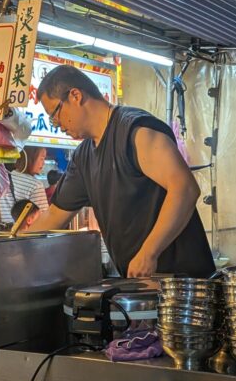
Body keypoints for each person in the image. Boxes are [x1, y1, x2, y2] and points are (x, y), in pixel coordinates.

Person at [30, 65, 214, 278]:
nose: (56, 125)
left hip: (184, 285)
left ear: (75, 96)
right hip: (142, 286)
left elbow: (185, 188)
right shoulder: (83, 157)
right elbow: (54, 215)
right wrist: (11, 245)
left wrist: (149, 252)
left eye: (54, 114)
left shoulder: (135, 132)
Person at [0, 146, 49, 223]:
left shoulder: (5, 178)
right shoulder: (35, 185)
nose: (43, 163)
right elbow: (44, 220)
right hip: (25, 233)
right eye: (42, 158)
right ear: (30, 159)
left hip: (6, 231)